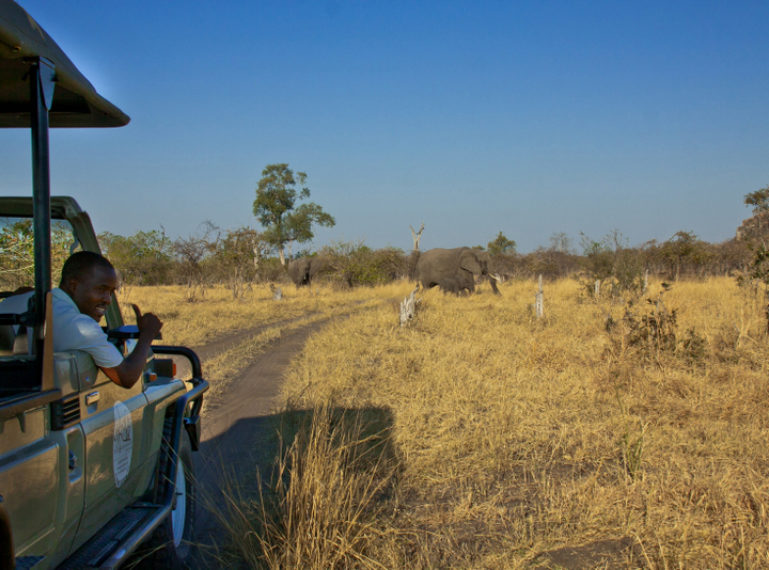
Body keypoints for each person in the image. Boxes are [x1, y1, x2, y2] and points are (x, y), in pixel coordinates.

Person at [0, 251, 162, 389]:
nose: (107, 299)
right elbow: (126, 377)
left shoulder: (18, 300)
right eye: (101, 289)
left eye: (111, 292)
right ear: (73, 286)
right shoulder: (82, 326)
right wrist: (147, 335)